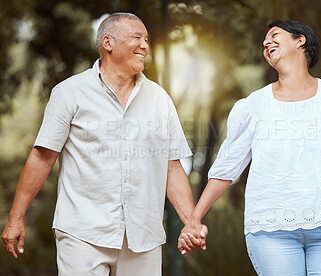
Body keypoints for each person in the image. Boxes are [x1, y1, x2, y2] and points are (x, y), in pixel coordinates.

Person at [1, 12, 206, 275]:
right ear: (108, 43)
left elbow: (172, 167)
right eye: (136, 37)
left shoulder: (159, 100)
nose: (145, 45)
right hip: (83, 234)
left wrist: (191, 222)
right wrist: (16, 218)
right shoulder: (69, 93)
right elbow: (42, 157)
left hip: (143, 237)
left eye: (146, 39)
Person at [178, 20, 321, 275]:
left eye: (274, 35)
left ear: (301, 40)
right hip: (270, 231)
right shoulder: (253, 106)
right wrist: (195, 219)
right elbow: (227, 167)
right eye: (264, 41)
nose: (266, 43)